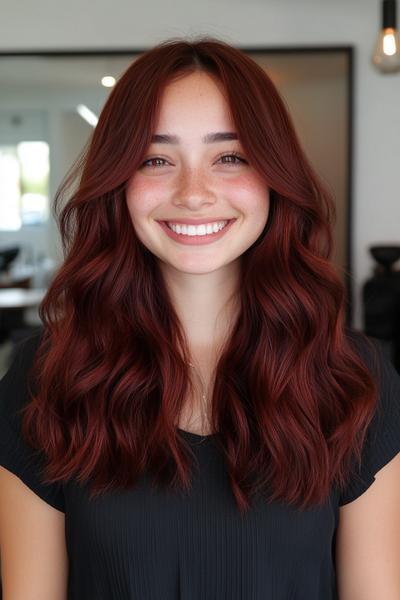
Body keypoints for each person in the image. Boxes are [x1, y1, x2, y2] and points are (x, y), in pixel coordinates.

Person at [0, 36, 399, 600]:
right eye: (156, 160)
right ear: (118, 181)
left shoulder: (352, 376)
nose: (193, 193)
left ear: (274, 176)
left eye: (229, 157)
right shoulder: (47, 377)